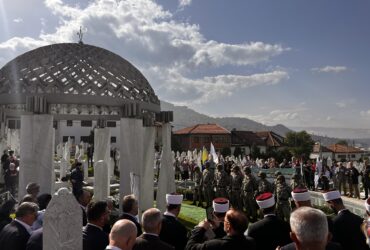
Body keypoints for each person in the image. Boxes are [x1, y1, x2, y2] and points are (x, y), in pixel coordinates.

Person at [186, 209, 256, 250]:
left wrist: (200, 229)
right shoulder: (251, 242)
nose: (222, 222)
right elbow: (231, 239)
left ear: (228, 226)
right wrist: (218, 228)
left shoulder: (214, 245)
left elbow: (190, 247)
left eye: (224, 221)